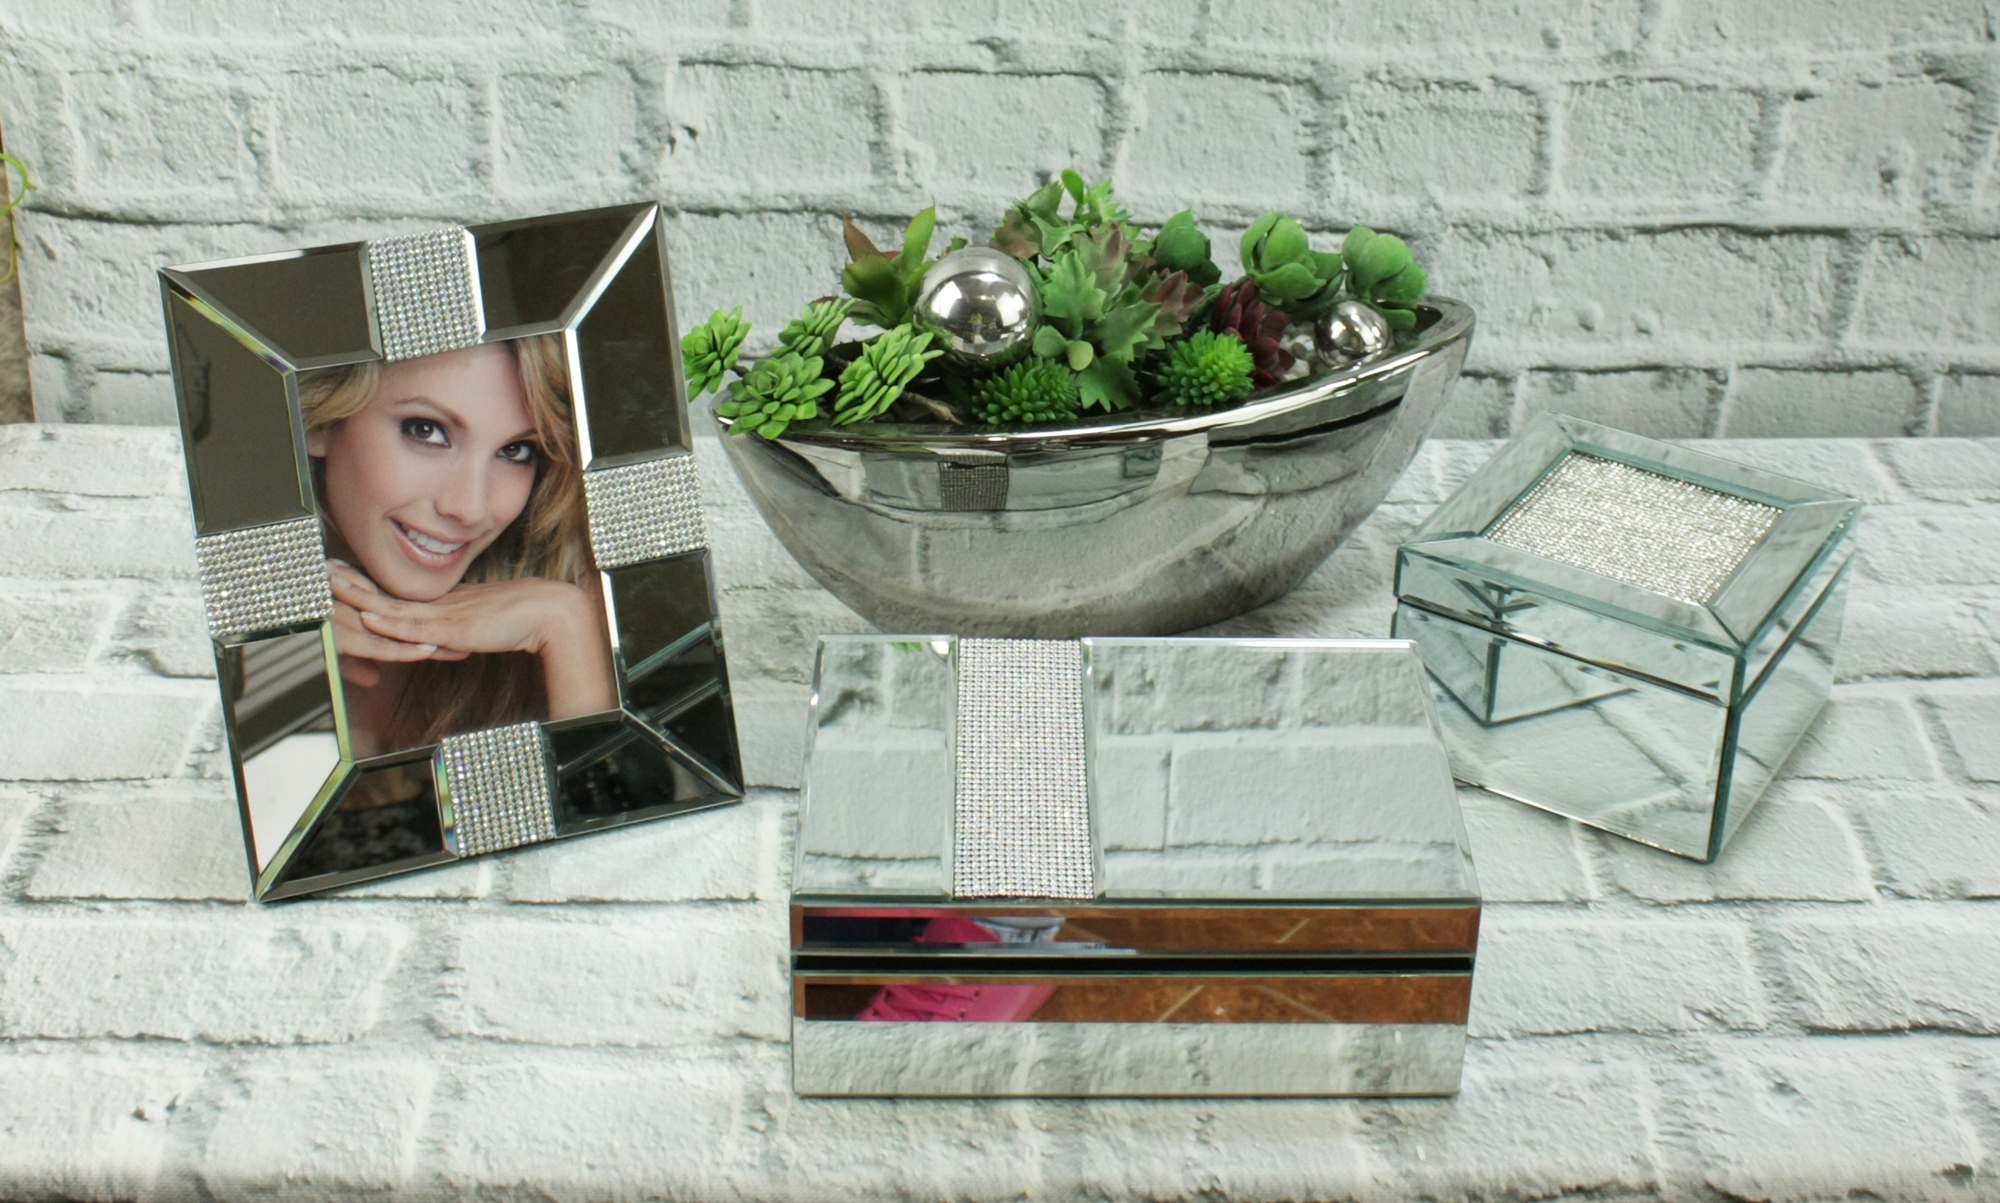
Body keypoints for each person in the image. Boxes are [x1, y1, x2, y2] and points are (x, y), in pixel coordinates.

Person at [301, 336, 616, 758]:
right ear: (320, 422)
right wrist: (286, 652)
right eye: (426, 431)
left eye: (515, 450)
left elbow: (615, 796)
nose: (469, 508)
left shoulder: (577, 598)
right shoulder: (240, 620)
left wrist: (567, 628)